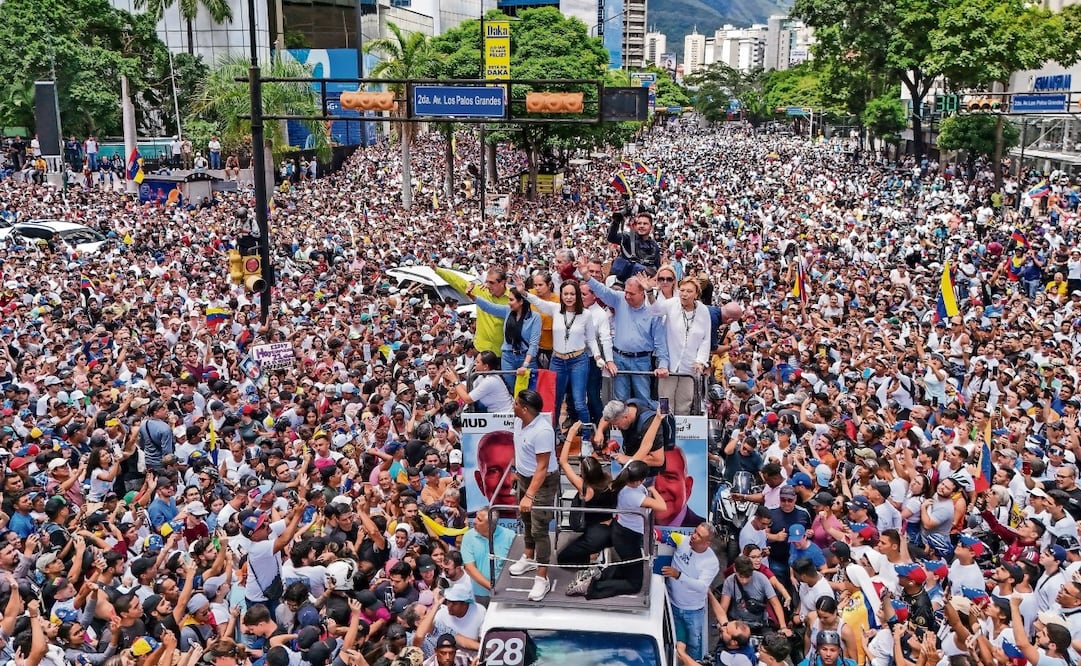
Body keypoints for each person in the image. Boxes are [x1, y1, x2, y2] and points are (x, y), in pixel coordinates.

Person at [581, 255, 670, 403]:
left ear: (642, 293)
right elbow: (602, 291)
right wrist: (586, 276)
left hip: (641, 361)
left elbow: (660, 343)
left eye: (631, 294)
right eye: (626, 292)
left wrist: (663, 365)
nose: (627, 296)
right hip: (619, 359)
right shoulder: (619, 298)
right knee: (620, 401)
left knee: (643, 399)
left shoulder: (653, 312)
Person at [518, 275, 598, 426]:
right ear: (561, 295)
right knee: (554, 401)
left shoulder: (586, 314)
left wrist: (598, 356)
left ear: (577, 296)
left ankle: (587, 438)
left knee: (579, 402)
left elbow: (591, 339)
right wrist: (524, 293)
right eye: (565, 294)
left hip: (578, 360)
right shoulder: (555, 309)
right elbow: (538, 302)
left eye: (572, 294)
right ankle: (554, 434)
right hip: (558, 360)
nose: (569, 297)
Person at [505, 389, 559, 602]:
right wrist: (515, 471)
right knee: (526, 519)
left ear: (525, 409)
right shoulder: (519, 422)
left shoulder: (543, 431)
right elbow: (518, 447)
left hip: (542, 483)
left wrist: (530, 495)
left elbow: (542, 467)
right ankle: (528, 556)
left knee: (539, 528)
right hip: (525, 478)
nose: (513, 405)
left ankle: (542, 577)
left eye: (516, 403)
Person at [585, 460, 666, 599]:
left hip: (622, 532)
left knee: (629, 565)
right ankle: (593, 589)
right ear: (640, 480)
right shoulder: (634, 496)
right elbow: (662, 506)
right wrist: (653, 490)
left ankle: (599, 576)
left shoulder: (622, 483)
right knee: (635, 584)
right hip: (627, 538)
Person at [557, 422, 616, 574]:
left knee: (563, 559)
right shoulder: (609, 480)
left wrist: (570, 435)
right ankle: (597, 552)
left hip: (594, 532)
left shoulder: (585, 488)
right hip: (611, 526)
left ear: (584, 474)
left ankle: (592, 560)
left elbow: (563, 462)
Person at [650, 276, 712, 414]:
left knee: (684, 404)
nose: (684, 294)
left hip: (690, 366)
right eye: (682, 290)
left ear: (696, 294)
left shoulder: (703, 311)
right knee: (665, 403)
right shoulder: (671, 304)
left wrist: (700, 361)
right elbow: (655, 310)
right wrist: (649, 292)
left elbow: (705, 339)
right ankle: (665, 431)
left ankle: (679, 432)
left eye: (689, 291)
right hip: (669, 364)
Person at [663, 522, 720, 661]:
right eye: (694, 531)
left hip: (693, 612)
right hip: (672, 606)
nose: (693, 536)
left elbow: (702, 586)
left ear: (707, 543)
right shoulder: (683, 540)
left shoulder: (711, 562)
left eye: (698, 535)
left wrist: (679, 575)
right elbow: (665, 536)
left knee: (694, 647)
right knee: (674, 644)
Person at [470, 284, 540, 392]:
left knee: (528, 392)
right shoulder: (508, 311)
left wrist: (525, 365)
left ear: (521, 301)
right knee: (511, 389)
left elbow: (533, 343)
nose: (508, 303)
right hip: (508, 357)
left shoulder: (535, 317)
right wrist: (472, 296)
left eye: (511, 300)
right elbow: (489, 307)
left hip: (526, 358)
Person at [594, 399, 666, 476]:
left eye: (617, 424)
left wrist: (628, 459)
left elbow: (658, 460)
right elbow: (607, 419)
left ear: (625, 417)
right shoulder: (624, 406)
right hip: (631, 463)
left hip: (647, 473)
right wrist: (599, 431)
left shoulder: (649, 425)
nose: (616, 427)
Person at [443, 351, 514, 413]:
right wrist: (455, 377)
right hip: (494, 415)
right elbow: (469, 390)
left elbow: (467, 399)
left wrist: (454, 381)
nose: (474, 364)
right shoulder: (482, 376)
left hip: (504, 415)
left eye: (477, 362)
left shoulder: (491, 381)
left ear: (485, 366)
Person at [654, 447, 705, 527]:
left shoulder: (704, 533)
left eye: (669, 477)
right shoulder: (630, 527)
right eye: (648, 477)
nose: (659, 488)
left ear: (687, 487)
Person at [607, 208, 661, 281]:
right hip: (625, 281)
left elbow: (657, 268)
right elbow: (611, 238)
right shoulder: (628, 237)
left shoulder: (654, 246)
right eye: (639, 223)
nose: (641, 226)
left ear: (651, 227)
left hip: (645, 282)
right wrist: (616, 222)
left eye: (645, 224)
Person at [473, 429, 516, 509]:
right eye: (493, 471)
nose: (507, 482)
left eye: (514, 469)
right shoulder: (474, 520)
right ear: (480, 482)